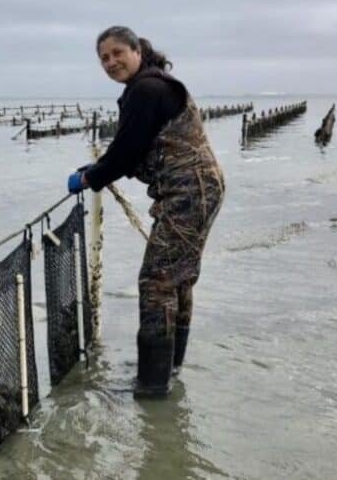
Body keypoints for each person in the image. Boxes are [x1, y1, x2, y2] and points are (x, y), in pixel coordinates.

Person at [67, 26, 225, 398]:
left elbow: (126, 154)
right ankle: (169, 369)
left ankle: (152, 387)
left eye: (117, 53)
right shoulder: (151, 86)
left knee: (157, 282)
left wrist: (90, 179)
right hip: (199, 189)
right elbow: (126, 145)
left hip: (187, 192)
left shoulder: (146, 89)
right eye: (103, 58)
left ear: (137, 51)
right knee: (178, 278)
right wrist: (94, 171)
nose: (111, 62)